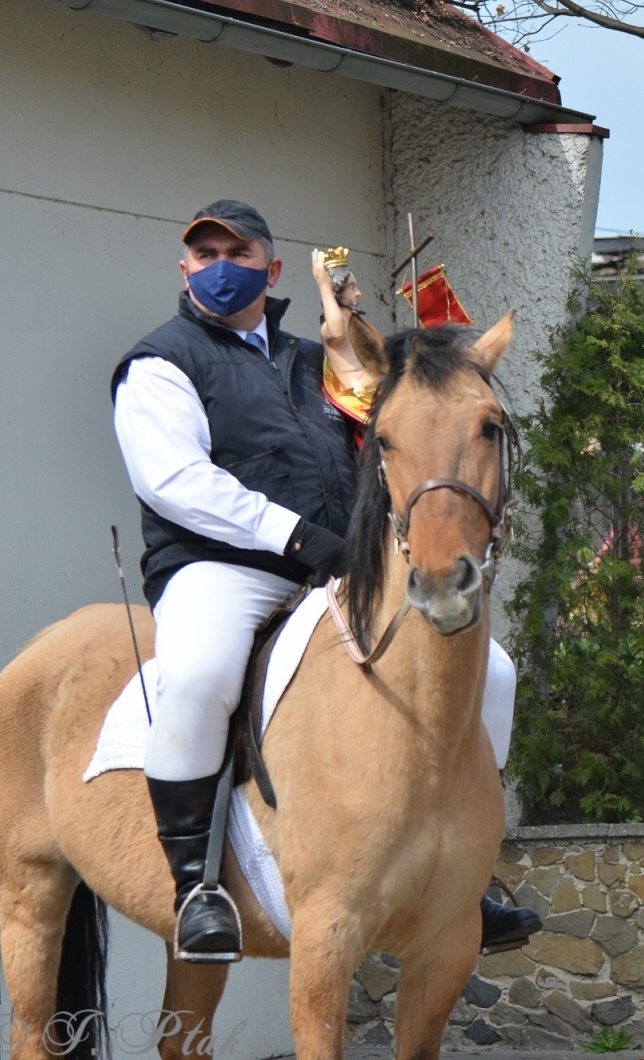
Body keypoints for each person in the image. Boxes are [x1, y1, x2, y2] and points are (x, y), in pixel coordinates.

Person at [111, 200, 539, 962]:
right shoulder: (160, 362)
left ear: (271, 271)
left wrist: (354, 336)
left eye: (235, 254)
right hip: (224, 570)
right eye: (203, 255)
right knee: (201, 673)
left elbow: (392, 426)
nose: (217, 268)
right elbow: (174, 480)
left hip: (336, 569)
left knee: (495, 671)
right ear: (183, 270)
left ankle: (465, 879)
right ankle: (197, 888)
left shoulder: (316, 359)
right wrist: (297, 535)